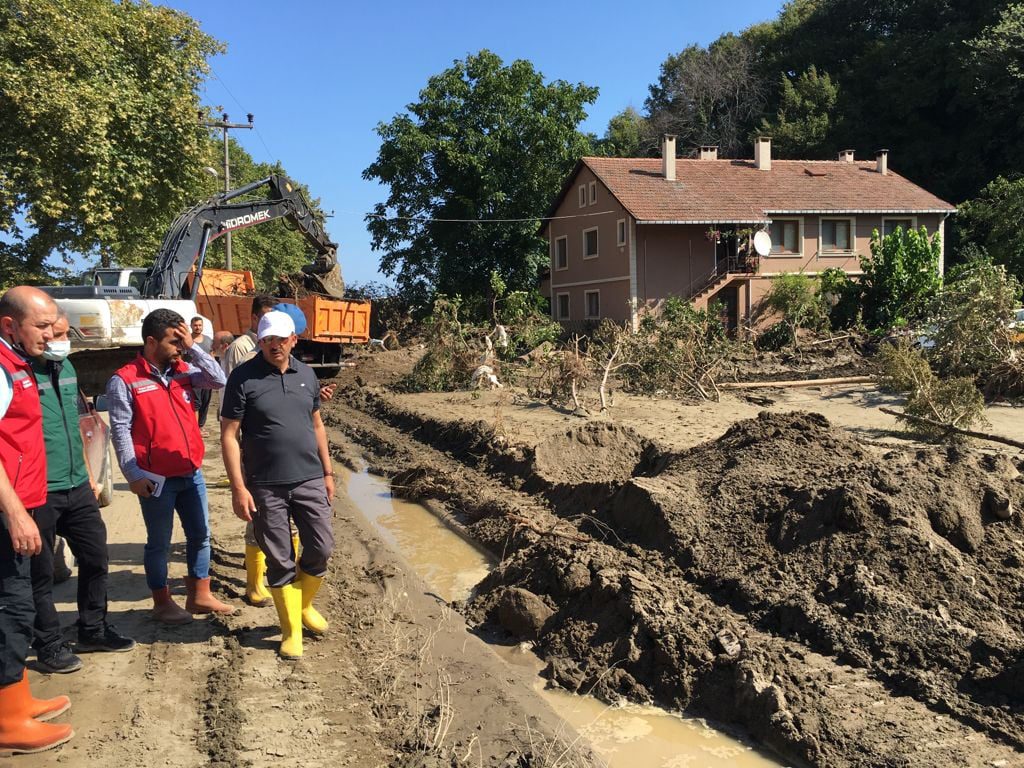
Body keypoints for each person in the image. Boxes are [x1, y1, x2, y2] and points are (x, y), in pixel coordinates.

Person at [221, 310, 335, 660]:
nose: (274, 346)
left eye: (280, 340)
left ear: (293, 340)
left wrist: (328, 473)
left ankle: (303, 606)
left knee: (321, 548)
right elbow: (228, 435)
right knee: (280, 558)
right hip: (265, 484)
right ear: (260, 342)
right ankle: (290, 631)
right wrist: (238, 487)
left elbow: (316, 425)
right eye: (267, 340)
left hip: (309, 478)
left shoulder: (306, 375)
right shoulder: (243, 378)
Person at [107, 308, 233, 624]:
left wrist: (193, 347)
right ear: (151, 341)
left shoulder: (184, 369)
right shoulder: (125, 380)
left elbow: (219, 380)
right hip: (156, 480)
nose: (180, 345)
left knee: (200, 535)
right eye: (174, 340)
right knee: (159, 543)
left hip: (191, 473)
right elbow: (120, 429)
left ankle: (199, 595)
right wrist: (133, 474)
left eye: (182, 340)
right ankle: (162, 603)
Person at [28, 311, 135, 674]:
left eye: (62, 334)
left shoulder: (68, 369)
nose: (58, 340)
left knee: (95, 558)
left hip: (78, 485)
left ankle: (92, 629)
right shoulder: (17, 375)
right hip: (37, 492)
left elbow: (75, 428)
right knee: (39, 573)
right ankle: (48, 643)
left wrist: (90, 475)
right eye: (51, 333)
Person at [0, 286, 74, 755]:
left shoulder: (21, 363)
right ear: (10, 326)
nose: (52, 335)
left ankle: (17, 699)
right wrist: (15, 514)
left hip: (22, 502)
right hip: (7, 511)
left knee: (20, 601)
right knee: (13, 609)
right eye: (42, 327)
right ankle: (8, 723)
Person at [220, 295, 277, 606]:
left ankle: (274, 566)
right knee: (256, 511)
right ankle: (254, 582)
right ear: (254, 319)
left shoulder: (278, 353)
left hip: (272, 447)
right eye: (265, 318)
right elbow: (234, 401)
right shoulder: (243, 349)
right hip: (249, 442)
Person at [190, 316, 213, 428]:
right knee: (196, 403)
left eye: (199, 325)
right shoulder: (187, 341)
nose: (197, 327)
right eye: (195, 325)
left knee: (205, 401)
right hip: (194, 377)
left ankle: (201, 426)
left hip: (207, 376)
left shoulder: (208, 340)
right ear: (191, 326)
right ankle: (196, 428)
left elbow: (212, 357)